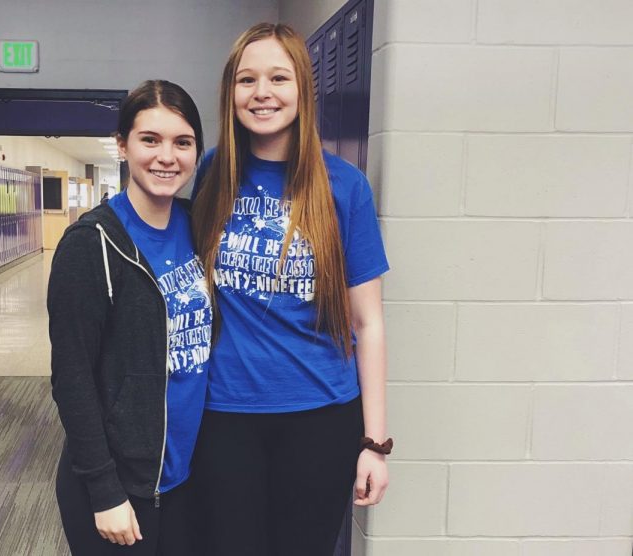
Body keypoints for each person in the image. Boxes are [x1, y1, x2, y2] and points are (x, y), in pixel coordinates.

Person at [190, 23, 391, 555]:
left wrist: (375, 443)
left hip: (320, 417)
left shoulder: (344, 186)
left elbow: (368, 324)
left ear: (302, 89)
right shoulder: (212, 172)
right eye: (246, 79)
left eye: (278, 78)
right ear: (230, 93)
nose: (262, 93)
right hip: (225, 415)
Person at [48, 80, 211, 555]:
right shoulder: (91, 244)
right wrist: (105, 490)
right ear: (122, 145)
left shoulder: (198, 225)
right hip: (121, 484)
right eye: (150, 140)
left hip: (183, 478)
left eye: (182, 142)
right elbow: (71, 377)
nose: (167, 156)